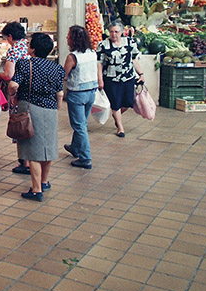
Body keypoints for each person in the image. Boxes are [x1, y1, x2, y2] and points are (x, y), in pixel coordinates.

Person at [9, 33, 65, 202]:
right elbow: (60, 93)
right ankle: (44, 182)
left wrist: (12, 95)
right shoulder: (57, 68)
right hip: (51, 109)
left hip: (31, 108)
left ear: (33, 49)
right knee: (48, 147)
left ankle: (36, 190)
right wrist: (57, 108)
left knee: (32, 150)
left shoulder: (25, 64)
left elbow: (13, 84)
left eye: (29, 44)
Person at [96, 20, 144, 138]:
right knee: (115, 102)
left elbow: (134, 59)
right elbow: (99, 63)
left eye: (116, 32)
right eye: (111, 32)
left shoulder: (130, 42)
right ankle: (120, 127)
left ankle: (116, 114)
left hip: (128, 77)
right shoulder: (103, 45)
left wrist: (141, 74)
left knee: (128, 103)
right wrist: (100, 79)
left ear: (122, 32)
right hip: (111, 79)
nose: (114, 34)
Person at [0, 21, 30, 174]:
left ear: (10, 36)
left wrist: (0, 75)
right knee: (28, 123)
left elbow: (9, 75)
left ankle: (25, 162)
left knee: (20, 124)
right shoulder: (27, 46)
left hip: (18, 91)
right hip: (30, 90)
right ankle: (29, 160)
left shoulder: (14, 50)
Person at [63, 25, 98, 170]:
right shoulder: (92, 53)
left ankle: (85, 158)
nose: (67, 38)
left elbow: (64, 75)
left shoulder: (72, 57)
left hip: (77, 93)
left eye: (69, 36)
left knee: (79, 126)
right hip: (91, 91)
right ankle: (75, 147)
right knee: (82, 122)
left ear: (74, 39)